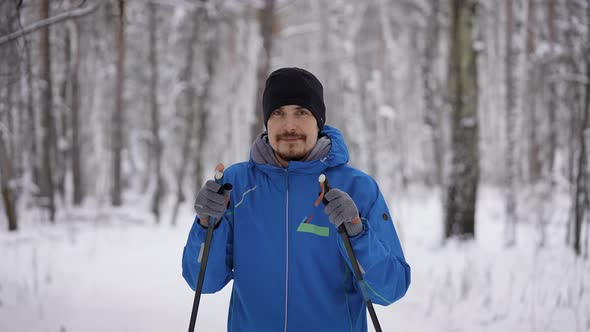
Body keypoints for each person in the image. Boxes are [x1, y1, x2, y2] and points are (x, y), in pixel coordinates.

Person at [182, 67, 410, 332]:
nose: (289, 126)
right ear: (266, 121)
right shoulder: (236, 185)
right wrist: (206, 224)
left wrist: (358, 233)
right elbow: (203, 283)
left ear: (319, 121)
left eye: (301, 112)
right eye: (278, 113)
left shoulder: (357, 188)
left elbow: (389, 290)